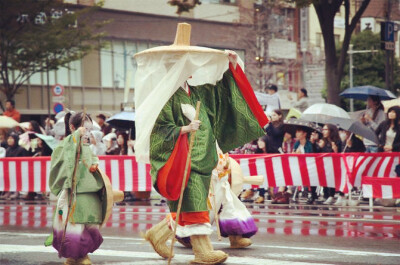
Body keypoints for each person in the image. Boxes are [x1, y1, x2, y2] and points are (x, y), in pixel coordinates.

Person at [143, 51, 267, 264]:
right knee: (196, 204)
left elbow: (222, 92)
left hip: (205, 156)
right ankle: (202, 252)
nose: (190, 71)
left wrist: (232, 65)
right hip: (184, 159)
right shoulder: (166, 97)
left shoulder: (198, 93)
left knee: (195, 204)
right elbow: (160, 131)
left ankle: (158, 233)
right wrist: (184, 129)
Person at [47, 112, 105, 264]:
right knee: (74, 225)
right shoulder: (64, 145)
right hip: (72, 192)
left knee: (89, 222)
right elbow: (60, 162)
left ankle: (82, 254)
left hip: (88, 191)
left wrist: (93, 165)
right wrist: (73, 140)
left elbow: (92, 159)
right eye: (85, 128)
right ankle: (74, 256)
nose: (87, 132)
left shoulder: (86, 146)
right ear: (72, 127)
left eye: (89, 129)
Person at [312, 124, 341, 205]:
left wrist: (335, 150)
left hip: (334, 164)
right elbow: (316, 152)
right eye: (323, 129)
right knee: (324, 178)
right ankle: (326, 195)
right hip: (324, 164)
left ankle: (332, 195)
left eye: (325, 129)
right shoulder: (323, 141)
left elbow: (339, 153)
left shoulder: (337, 141)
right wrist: (315, 144)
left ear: (331, 131)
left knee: (331, 178)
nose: (323, 131)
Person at [0, 133, 28, 200]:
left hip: (18, 170)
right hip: (9, 169)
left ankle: (17, 191)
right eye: (8, 138)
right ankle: (7, 192)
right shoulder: (8, 150)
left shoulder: (21, 149)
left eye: (11, 138)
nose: (9, 140)